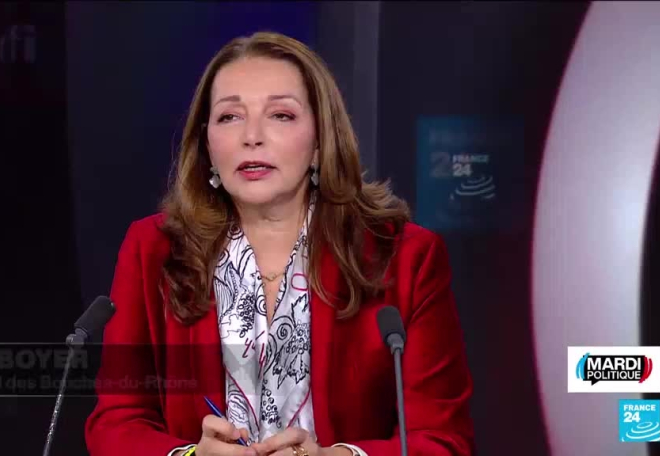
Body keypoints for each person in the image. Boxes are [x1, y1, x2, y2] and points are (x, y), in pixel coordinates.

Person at [85, 31, 474, 456]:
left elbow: (442, 440)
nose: (252, 136)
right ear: (207, 144)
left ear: (320, 140)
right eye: (230, 117)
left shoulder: (404, 257)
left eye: (281, 115)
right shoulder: (153, 250)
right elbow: (116, 423)